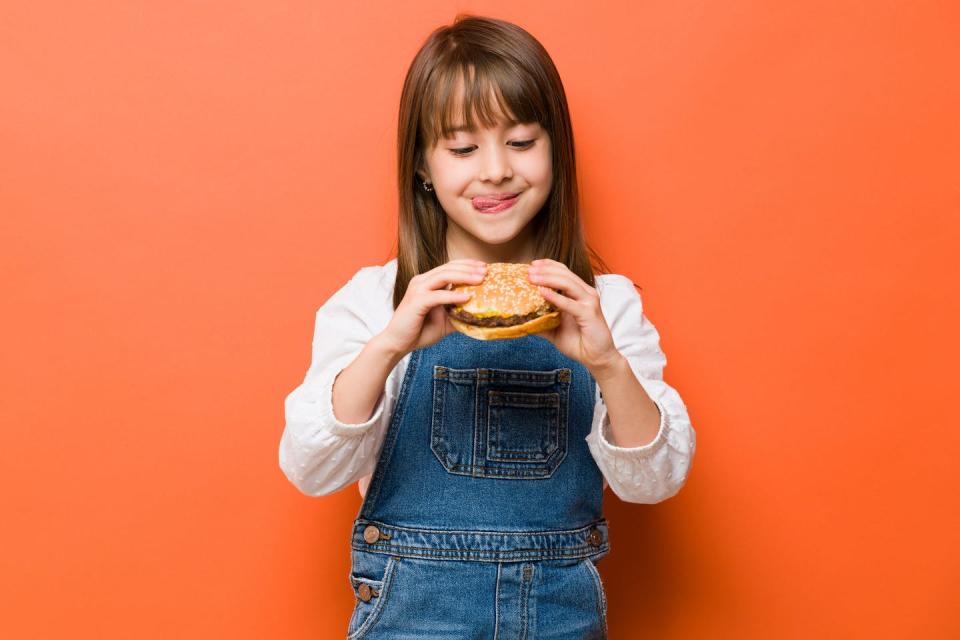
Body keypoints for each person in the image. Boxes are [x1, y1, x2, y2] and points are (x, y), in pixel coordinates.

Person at [279, 14, 696, 639]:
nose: (496, 170)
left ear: (556, 150)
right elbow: (312, 469)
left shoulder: (603, 303)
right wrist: (391, 343)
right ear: (423, 165)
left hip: (559, 616)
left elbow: (654, 482)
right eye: (463, 148)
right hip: (411, 616)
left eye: (522, 142)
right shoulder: (376, 300)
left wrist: (607, 363)